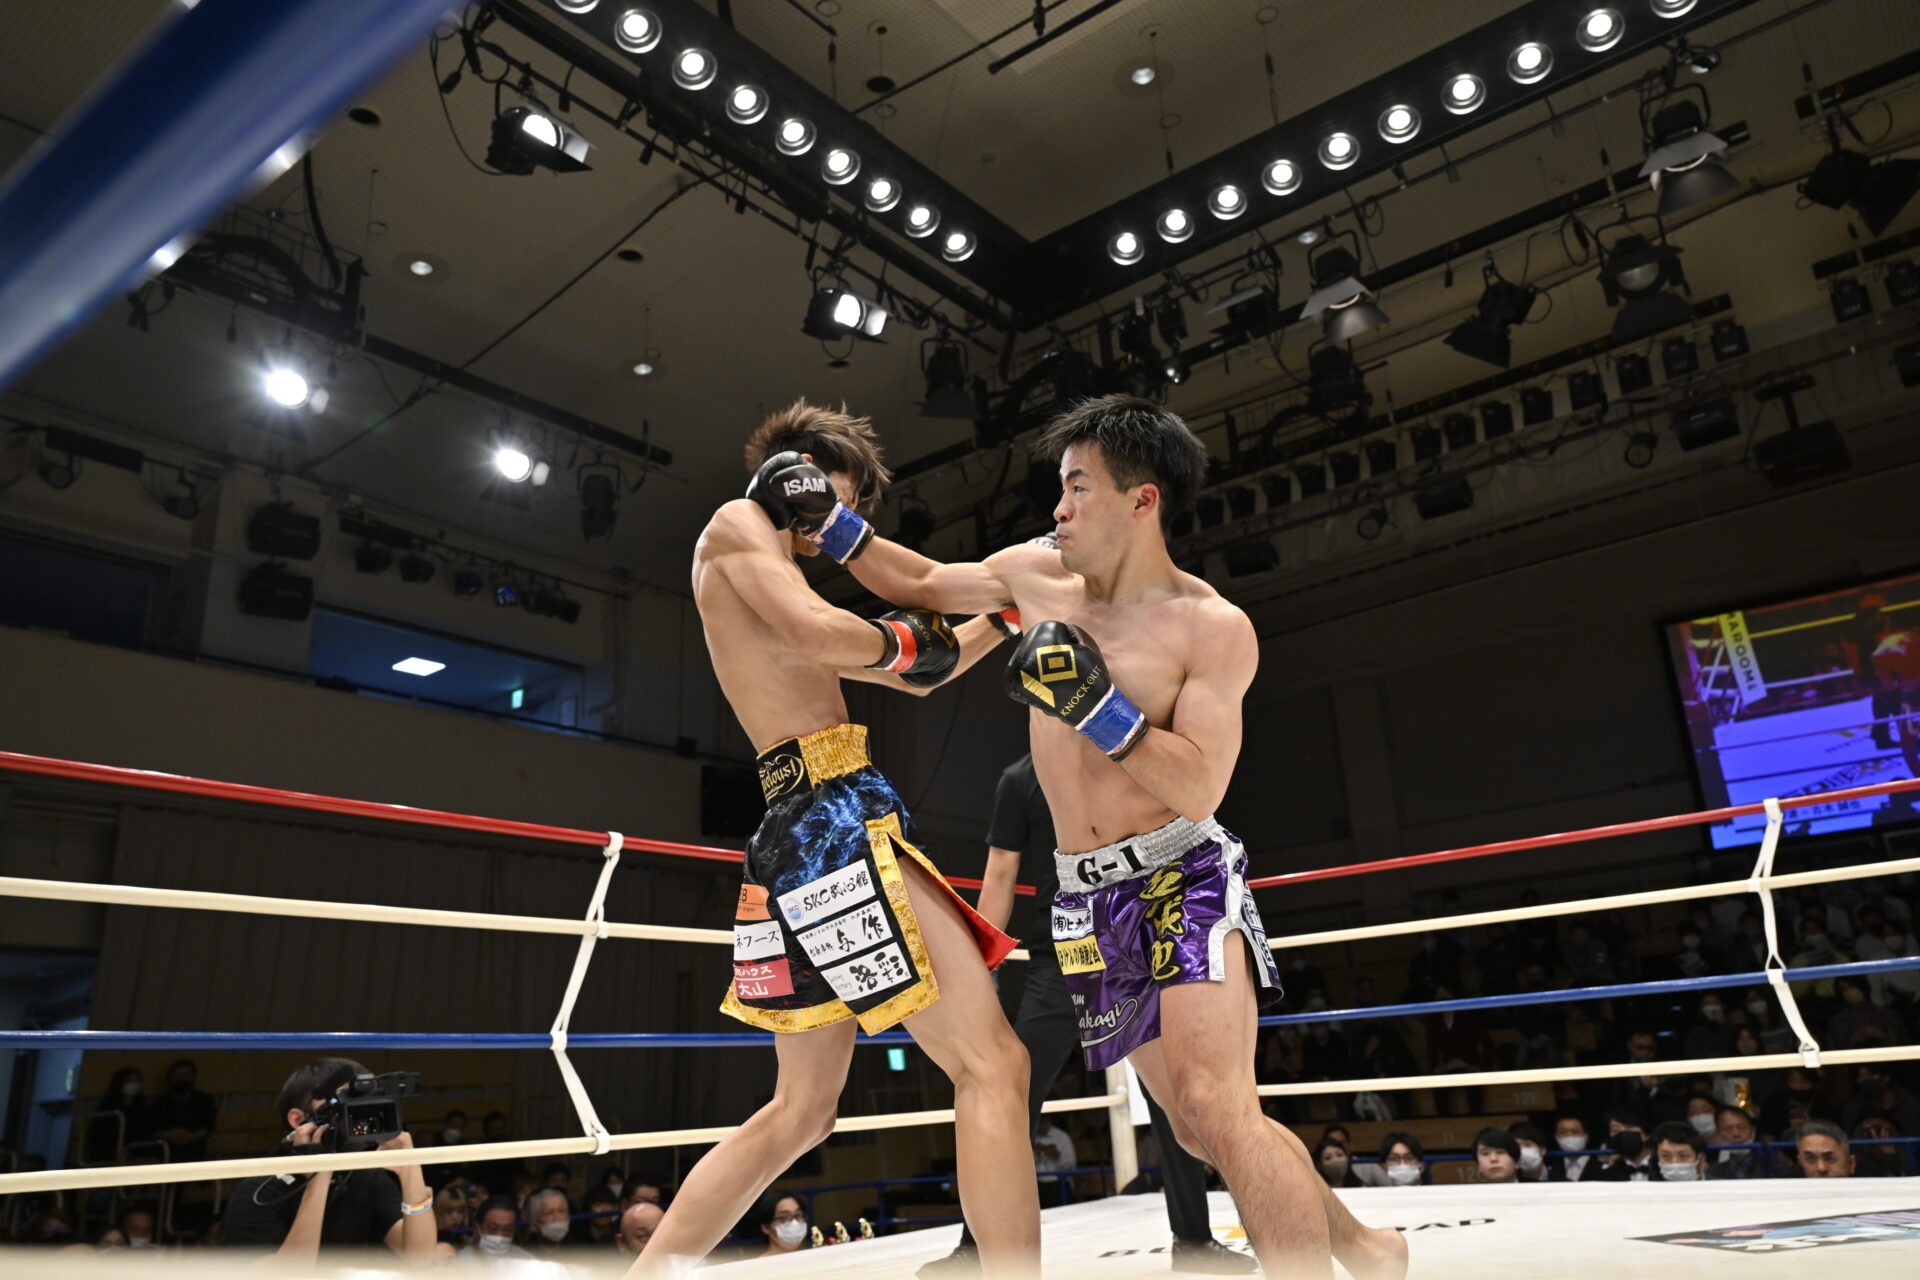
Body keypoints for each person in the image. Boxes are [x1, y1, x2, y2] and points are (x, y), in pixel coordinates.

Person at [838, 394, 1405, 1279]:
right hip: (1084, 897)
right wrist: (827, 523)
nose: (1058, 508)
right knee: (1196, 1125)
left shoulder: (1210, 627)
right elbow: (923, 585)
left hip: (1180, 874)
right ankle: (1366, 1247)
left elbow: (1201, 785)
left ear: (1143, 501)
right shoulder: (1035, 578)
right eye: (1060, 488)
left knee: (1218, 1105)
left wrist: (1099, 710)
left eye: (1078, 487)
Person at [631, 401, 1035, 1277]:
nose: (838, 531)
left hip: (798, 831)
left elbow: (918, 677)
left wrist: (1005, 617)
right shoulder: (739, 525)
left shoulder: (773, 574)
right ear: (801, 475)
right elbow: (830, 634)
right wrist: (908, 639)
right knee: (994, 1063)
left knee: (803, 1113)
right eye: (839, 504)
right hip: (831, 818)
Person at [925, 753, 1255, 1276]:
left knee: (1173, 1094)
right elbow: (1001, 874)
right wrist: (977, 969)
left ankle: (1194, 1240)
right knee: (1007, 1093)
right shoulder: (1022, 780)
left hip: (1134, 939)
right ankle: (975, 1247)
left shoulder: (1123, 754)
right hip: (1066, 951)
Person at [219, 1058, 435, 1265]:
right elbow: (289, 1274)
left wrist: (411, 1170)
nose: (354, 1112)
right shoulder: (258, 1192)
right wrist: (318, 1179)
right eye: (342, 1101)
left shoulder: (368, 1179)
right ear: (299, 1120)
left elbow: (421, 1257)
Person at [149, 1059, 217, 1162]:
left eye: (186, 1076)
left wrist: (191, 1136)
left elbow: (208, 1128)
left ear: (193, 1077)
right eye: (177, 1077)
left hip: (195, 1151)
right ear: (170, 1079)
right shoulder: (159, 1103)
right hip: (166, 1151)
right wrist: (168, 1134)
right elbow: (153, 1130)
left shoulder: (204, 1101)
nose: (181, 1080)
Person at [1843, 1063, 1920, 1134]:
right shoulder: (1853, 1110)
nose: (1867, 1084)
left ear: (1886, 1077)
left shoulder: (1912, 1107)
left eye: (1871, 1075)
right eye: (1861, 1078)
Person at [463, 1194, 533, 1263]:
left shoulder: (526, 1262)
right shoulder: (460, 1262)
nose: (500, 1235)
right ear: (476, 1228)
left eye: (507, 1229)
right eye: (493, 1228)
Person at [1706, 1105, 1764, 1180]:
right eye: (1727, 1129)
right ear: (1719, 1133)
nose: (1736, 1134)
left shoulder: (1775, 1167)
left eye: (1742, 1127)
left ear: (1753, 1130)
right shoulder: (1713, 1172)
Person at [754, 1190, 809, 1259]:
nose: (794, 1224)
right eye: (784, 1217)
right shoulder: (759, 1264)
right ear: (766, 1227)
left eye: (798, 1215)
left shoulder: (810, 1259)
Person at [523, 1188, 573, 1256]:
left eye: (562, 1211)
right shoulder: (522, 1256)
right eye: (548, 1213)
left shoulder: (582, 1250)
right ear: (533, 1225)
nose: (557, 1219)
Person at [1553, 1115, 1596, 1183]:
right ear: (1556, 1138)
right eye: (1563, 1132)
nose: (1570, 1135)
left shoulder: (1602, 1168)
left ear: (1586, 1137)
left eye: (1575, 1132)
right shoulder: (1552, 1170)